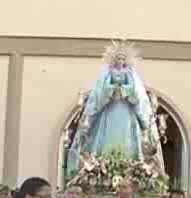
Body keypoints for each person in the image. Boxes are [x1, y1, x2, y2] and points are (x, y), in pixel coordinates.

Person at [67, 39, 164, 173]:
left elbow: (135, 91)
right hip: (110, 108)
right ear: (114, 59)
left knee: (128, 136)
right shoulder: (108, 72)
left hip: (126, 109)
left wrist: (124, 90)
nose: (120, 60)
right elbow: (102, 89)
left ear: (126, 60)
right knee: (107, 134)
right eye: (118, 58)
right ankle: (104, 163)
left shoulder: (129, 73)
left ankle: (129, 164)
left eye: (123, 58)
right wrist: (111, 90)